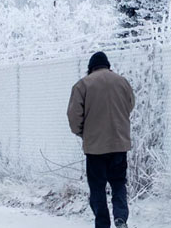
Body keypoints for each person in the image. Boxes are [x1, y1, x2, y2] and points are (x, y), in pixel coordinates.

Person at [67, 51, 135, 228]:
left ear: (91, 68)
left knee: (97, 187)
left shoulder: (82, 85)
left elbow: (74, 116)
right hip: (119, 144)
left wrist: (83, 133)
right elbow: (130, 105)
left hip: (95, 148)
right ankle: (121, 219)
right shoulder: (122, 82)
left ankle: (102, 223)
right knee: (119, 183)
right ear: (108, 66)